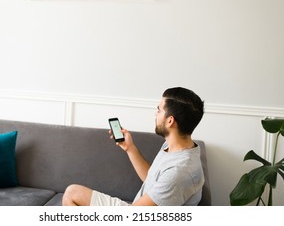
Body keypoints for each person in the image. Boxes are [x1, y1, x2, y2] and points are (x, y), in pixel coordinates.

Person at [62, 87, 205, 206]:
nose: (156, 113)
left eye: (159, 110)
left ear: (170, 121)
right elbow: (152, 181)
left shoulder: (180, 172)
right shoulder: (175, 145)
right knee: (73, 193)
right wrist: (130, 148)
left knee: (72, 194)